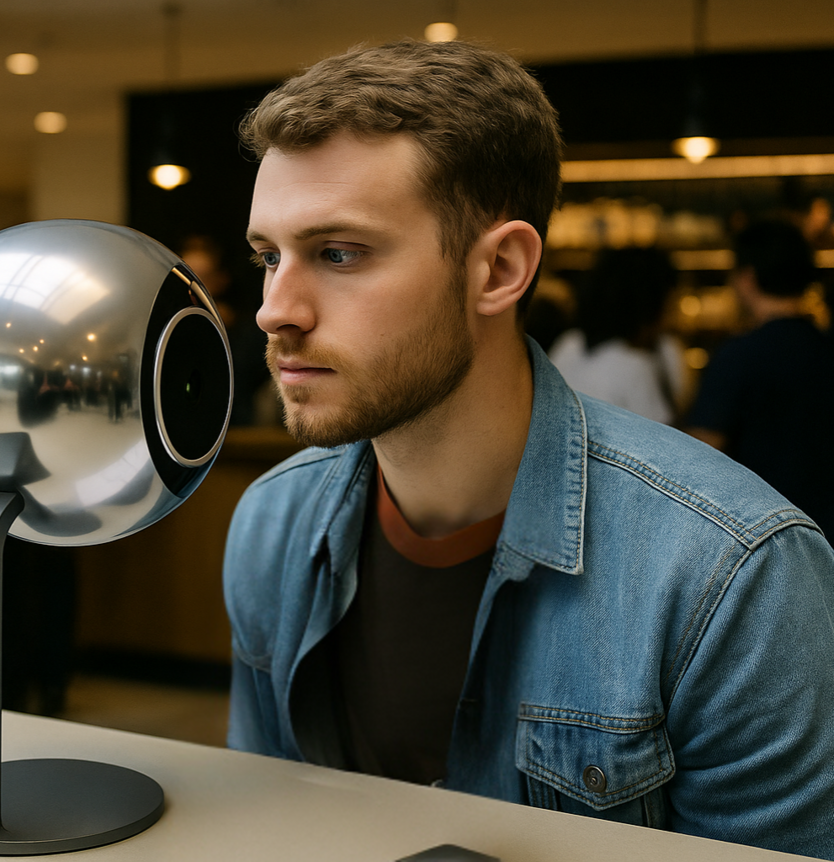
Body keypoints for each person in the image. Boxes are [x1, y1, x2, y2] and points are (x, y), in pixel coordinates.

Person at [224, 40, 834, 858]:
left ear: (499, 269)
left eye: (339, 253)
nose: (275, 309)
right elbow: (267, 827)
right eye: (269, 256)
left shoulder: (731, 577)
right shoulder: (273, 522)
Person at [685, 220, 834, 536]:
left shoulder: (737, 356)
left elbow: (701, 456)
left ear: (747, 278)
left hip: (764, 536)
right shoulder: (826, 348)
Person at [549, 247, 686, 423]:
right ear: (651, 308)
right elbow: (663, 438)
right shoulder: (637, 367)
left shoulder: (569, 344)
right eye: (670, 304)